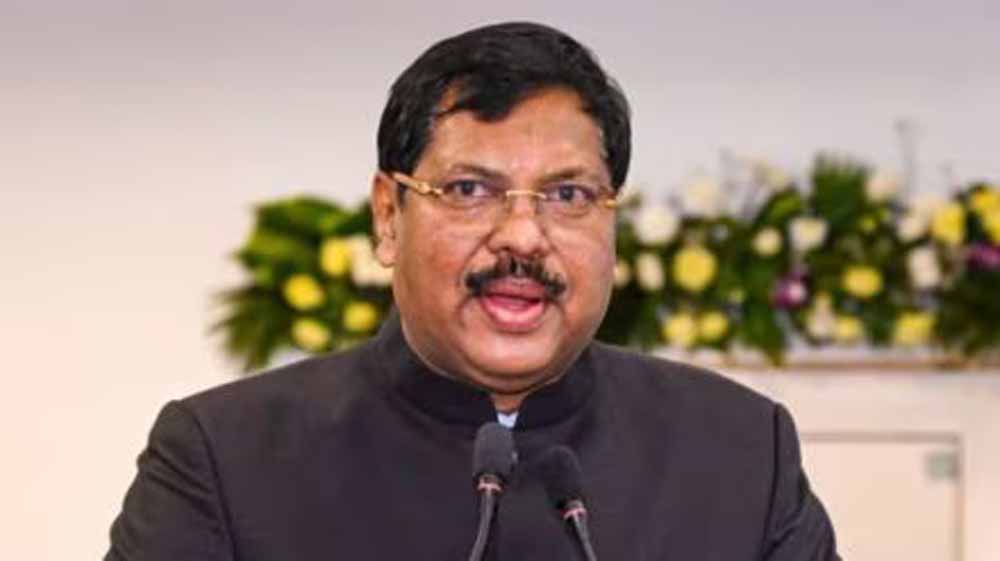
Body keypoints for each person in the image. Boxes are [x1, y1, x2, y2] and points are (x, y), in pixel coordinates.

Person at [106, 21, 839, 560]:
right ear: (388, 217)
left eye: (568, 194)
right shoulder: (226, 460)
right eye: (469, 190)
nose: (523, 237)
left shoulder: (741, 451)